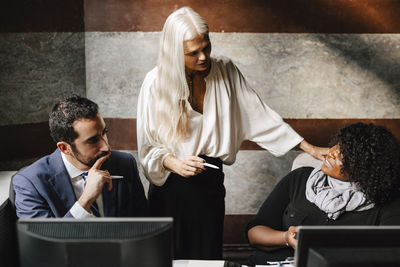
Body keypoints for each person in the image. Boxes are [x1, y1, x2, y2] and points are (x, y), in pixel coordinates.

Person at [137, 7, 328, 259]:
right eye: (193, 53)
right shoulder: (155, 82)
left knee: (207, 257)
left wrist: (310, 148)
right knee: (168, 258)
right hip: (170, 187)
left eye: (206, 47)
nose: (204, 57)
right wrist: (175, 163)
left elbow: (261, 116)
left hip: (210, 183)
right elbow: (148, 147)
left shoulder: (225, 71)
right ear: (174, 53)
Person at [246, 122, 400, 265]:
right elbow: (254, 234)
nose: (332, 153)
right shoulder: (300, 178)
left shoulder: (386, 202)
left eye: (344, 155)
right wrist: (285, 237)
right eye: (338, 146)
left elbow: (388, 255)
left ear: (364, 168)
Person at [13, 95, 148, 218]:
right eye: (93, 140)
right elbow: (45, 243)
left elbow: (145, 224)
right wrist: (86, 199)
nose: (106, 147)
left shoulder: (124, 164)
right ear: (65, 148)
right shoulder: (30, 183)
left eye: (104, 133)